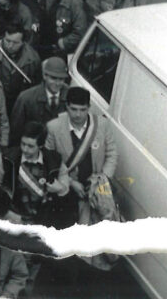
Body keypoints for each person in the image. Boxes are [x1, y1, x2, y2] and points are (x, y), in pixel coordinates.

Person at [45, 86, 119, 242]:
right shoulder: (53, 127)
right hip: (68, 189)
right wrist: (71, 183)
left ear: (89, 107)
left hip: (95, 188)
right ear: (67, 106)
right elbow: (49, 161)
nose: (78, 114)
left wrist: (101, 180)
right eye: (73, 109)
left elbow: (112, 153)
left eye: (82, 110)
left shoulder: (102, 125)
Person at [0, 120, 74, 228]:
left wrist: (60, 189)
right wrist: (6, 212)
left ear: (41, 145)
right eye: (23, 144)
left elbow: (65, 191)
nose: (25, 149)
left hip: (45, 221)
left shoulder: (55, 161)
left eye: (30, 146)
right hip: (13, 218)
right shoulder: (6, 159)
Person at [10, 55, 69, 144]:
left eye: (61, 79)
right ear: (44, 76)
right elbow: (16, 131)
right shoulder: (26, 98)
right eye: (53, 78)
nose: (57, 83)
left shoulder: (71, 96)